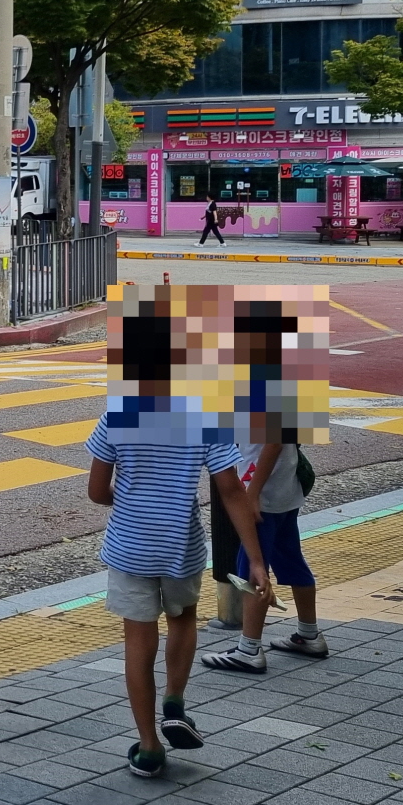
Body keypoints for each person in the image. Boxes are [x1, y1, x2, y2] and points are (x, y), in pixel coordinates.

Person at [86, 312, 270, 778]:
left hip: (129, 545)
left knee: (137, 638)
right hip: (179, 545)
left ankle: (149, 746)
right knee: (183, 618)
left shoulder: (117, 415)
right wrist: (255, 559)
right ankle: (174, 699)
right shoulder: (202, 418)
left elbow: (96, 491)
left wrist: (126, 500)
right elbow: (230, 489)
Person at [203, 309, 327, 673]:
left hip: (265, 491)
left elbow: (272, 440)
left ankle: (248, 648)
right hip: (285, 488)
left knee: (251, 566)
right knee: (292, 560)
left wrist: (251, 494)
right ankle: (308, 634)